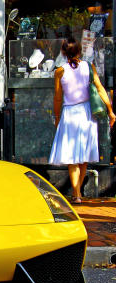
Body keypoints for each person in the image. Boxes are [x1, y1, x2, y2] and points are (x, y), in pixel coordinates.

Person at [49, 37, 116, 204]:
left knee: (72, 156)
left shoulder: (60, 71)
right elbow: (100, 89)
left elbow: (57, 98)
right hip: (86, 112)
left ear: (63, 53)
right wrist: (110, 110)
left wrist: (57, 117)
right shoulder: (88, 66)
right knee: (83, 154)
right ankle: (77, 191)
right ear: (79, 51)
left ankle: (77, 193)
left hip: (70, 113)